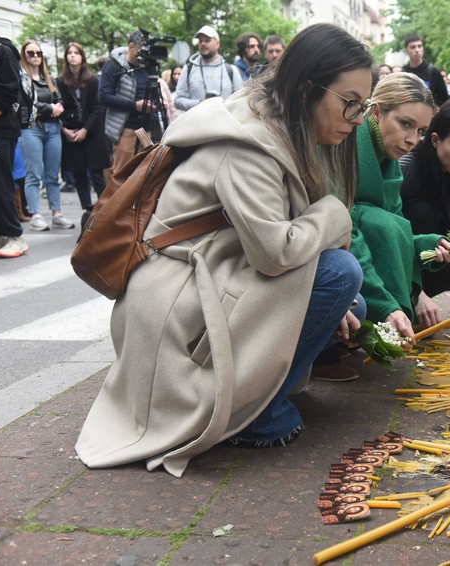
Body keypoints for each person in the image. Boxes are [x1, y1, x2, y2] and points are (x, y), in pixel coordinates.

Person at [75, 23, 375, 477]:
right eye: (350, 103)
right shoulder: (249, 145)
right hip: (176, 308)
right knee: (338, 274)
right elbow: (274, 253)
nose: (356, 118)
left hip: (203, 280)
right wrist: (335, 213)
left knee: (349, 298)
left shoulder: (272, 126)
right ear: (306, 89)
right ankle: (248, 416)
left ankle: (256, 394)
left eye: (363, 106)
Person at [350, 72, 450, 347]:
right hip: (330, 256)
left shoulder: (390, 162)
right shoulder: (347, 148)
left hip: (358, 259)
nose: (412, 140)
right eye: (405, 124)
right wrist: (386, 305)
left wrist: (431, 244)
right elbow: (349, 233)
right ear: (376, 113)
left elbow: (399, 230)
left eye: (420, 131)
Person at [400, 100, 450, 327]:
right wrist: (414, 292)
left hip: (421, 254)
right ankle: (404, 301)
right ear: (435, 140)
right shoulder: (406, 168)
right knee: (423, 214)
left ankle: (410, 307)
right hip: (392, 258)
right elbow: (386, 239)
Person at [19, 39, 75, 231]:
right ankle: (35, 213)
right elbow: (25, 104)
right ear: (24, 56)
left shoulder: (48, 79)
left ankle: (57, 213)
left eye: (38, 53)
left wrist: (57, 107)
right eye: (31, 53)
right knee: (34, 172)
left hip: (52, 129)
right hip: (31, 128)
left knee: (52, 174)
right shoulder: (22, 79)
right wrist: (49, 107)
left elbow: (59, 99)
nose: (35, 56)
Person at [0, 5, 28, 258]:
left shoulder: (2, 50)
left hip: (0, 130)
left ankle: (15, 236)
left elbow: (8, 93)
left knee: (0, 183)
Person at [57, 42, 110, 218]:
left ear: (82, 57)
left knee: (96, 173)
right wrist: (65, 129)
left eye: (76, 53)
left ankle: (103, 209)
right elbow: (60, 107)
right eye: (69, 53)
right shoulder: (61, 81)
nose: (72, 55)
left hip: (92, 131)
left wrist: (85, 129)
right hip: (71, 130)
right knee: (78, 171)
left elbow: (97, 107)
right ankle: (87, 209)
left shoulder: (93, 80)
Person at [99, 29, 163, 173]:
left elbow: (153, 92)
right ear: (130, 46)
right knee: (122, 175)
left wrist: (157, 104)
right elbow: (103, 96)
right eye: (141, 47)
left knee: (144, 174)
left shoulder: (148, 67)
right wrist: (135, 106)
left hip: (147, 130)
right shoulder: (114, 66)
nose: (144, 51)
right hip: (126, 129)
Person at [174, 26, 243, 114]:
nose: (203, 44)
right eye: (200, 41)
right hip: (196, 124)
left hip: (224, 124)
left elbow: (240, 100)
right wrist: (199, 103)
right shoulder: (188, 69)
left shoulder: (231, 70)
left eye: (207, 40)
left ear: (218, 44)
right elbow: (178, 101)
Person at [402, 32, 449, 106]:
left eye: (419, 46)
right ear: (406, 51)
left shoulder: (433, 72)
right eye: (413, 47)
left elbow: (444, 101)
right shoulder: (403, 74)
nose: (417, 50)